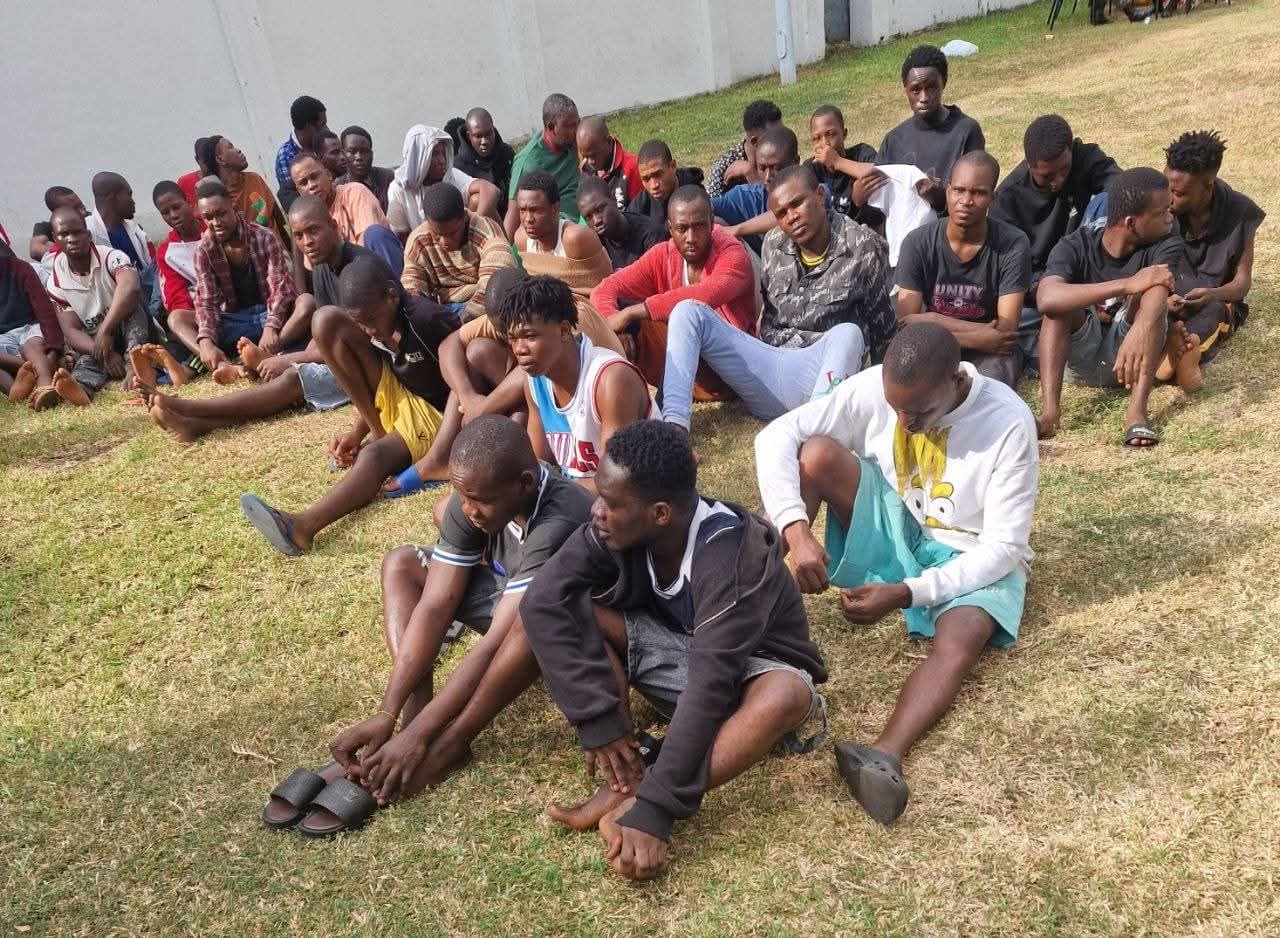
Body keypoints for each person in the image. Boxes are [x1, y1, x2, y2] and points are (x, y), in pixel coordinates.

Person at [754, 322, 1037, 825]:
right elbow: (776, 435)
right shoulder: (877, 390)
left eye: (919, 411)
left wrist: (909, 592)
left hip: (969, 551)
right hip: (898, 523)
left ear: (956, 380)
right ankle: (754, 626)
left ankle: (883, 757)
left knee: (961, 637)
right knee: (816, 453)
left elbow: (1004, 548)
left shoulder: (1008, 422)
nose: (904, 422)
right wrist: (796, 532)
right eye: (895, 408)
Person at [521, 421, 828, 880]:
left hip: (752, 676)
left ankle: (646, 780)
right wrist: (598, 720)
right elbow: (543, 600)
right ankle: (636, 762)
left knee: (786, 694)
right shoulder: (616, 528)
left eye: (610, 502)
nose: (597, 511)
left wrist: (655, 808)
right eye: (599, 496)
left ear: (660, 513)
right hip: (689, 662)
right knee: (574, 604)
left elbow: (709, 686)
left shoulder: (727, 555)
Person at [272, 417, 594, 837]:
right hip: (513, 598)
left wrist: (423, 738)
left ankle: (448, 745)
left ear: (524, 484)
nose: (468, 509)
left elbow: (496, 641)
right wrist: (387, 714)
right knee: (403, 564)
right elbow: (434, 606)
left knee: (528, 621)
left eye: (479, 500)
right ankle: (411, 718)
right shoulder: (472, 499)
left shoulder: (561, 518)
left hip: (575, 635)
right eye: (463, 495)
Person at [238, 255, 457, 556]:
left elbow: (464, 382)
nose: (367, 330)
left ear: (392, 296)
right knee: (325, 320)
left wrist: (443, 450)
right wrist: (358, 431)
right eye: (360, 323)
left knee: (373, 456)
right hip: (402, 394)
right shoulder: (379, 322)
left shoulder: (427, 322)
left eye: (370, 320)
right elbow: (391, 376)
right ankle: (379, 432)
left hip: (436, 415)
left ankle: (302, 527)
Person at [661, 164, 894, 430]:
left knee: (849, 334)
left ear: (819, 196)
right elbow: (768, 316)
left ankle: (815, 430)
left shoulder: (862, 246)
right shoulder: (774, 243)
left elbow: (883, 331)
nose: (791, 217)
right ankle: (674, 429)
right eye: (781, 213)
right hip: (771, 366)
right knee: (687, 311)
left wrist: (885, 404)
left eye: (797, 204)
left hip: (826, 371)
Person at [146, 197, 370, 441]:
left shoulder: (359, 270)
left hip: (368, 370)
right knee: (291, 379)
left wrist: (287, 359)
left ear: (334, 226)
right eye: (298, 235)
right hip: (333, 356)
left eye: (313, 231)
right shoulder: (323, 266)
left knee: (294, 377)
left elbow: (360, 344)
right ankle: (194, 424)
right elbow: (324, 338)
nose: (307, 242)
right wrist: (207, 341)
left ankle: (189, 409)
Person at [1035, 167, 1180, 445]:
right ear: (1131, 222)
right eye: (1162, 212)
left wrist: (1140, 330)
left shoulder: (1168, 239)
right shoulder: (1076, 244)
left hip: (1131, 358)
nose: (1170, 217)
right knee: (1058, 308)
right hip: (1080, 359)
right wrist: (1126, 284)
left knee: (1153, 293)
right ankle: (1050, 415)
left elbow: (1160, 287)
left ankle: (1137, 413)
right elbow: (1046, 298)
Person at [592, 185, 755, 399]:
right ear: (670, 228)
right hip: (689, 373)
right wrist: (616, 328)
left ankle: (667, 403)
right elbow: (604, 289)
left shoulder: (732, 254)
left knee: (677, 316)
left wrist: (632, 313)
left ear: (711, 221)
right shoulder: (663, 255)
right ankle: (625, 402)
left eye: (698, 226)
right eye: (682, 229)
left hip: (733, 372)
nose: (691, 237)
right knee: (612, 317)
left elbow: (704, 296)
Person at [498, 275, 654, 491]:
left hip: (633, 499)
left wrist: (553, 493)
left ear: (564, 330)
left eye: (530, 336)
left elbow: (615, 483)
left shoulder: (611, 378)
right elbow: (538, 466)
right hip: (578, 494)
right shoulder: (534, 382)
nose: (519, 349)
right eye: (513, 339)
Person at [896, 151, 1032, 388]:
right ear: (948, 191)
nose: (966, 201)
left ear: (993, 198)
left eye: (978, 193)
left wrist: (930, 321)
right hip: (945, 341)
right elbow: (908, 326)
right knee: (905, 370)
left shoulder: (1013, 244)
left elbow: (1005, 333)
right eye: (959, 190)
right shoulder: (917, 242)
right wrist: (973, 335)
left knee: (990, 385)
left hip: (989, 352)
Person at [991, 115, 1120, 364]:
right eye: (1047, 176)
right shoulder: (1007, 200)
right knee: (1011, 318)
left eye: (1064, 170)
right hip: (1046, 282)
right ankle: (1084, 311)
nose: (1058, 181)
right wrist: (1056, 292)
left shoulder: (1086, 157)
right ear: (1029, 166)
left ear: (1071, 151)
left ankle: (1103, 303)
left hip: (1087, 262)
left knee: (1111, 199)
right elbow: (1013, 273)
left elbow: (1123, 189)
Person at [1159, 129, 1264, 391]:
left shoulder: (1241, 212)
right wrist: (1163, 297)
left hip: (1214, 300)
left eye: (1179, 193)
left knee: (1216, 311)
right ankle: (1169, 355)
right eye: (1167, 187)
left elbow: (1241, 283)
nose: (1169, 199)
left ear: (1208, 186)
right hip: (1169, 297)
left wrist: (1212, 294)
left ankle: (1185, 352)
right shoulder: (1161, 207)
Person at [185, 179, 302, 375]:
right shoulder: (203, 249)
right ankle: (229, 363)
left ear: (232, 205)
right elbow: (206, 301)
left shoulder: (264, 237)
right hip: (235, 323)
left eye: (221, 213)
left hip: (269, 317)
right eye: (208, 217)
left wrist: (271, 327)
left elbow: (280, 288)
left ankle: (262, 354)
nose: (216, 222)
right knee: (182, 321)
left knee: (305, 304)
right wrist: (205, 341)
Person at [859, 45, 986, 215]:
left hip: (948, 228)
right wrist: (859, 198)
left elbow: (975, 198)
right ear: (906, 88)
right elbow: (880, 208)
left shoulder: (966, 131)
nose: (924, 98)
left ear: (944, 82)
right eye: (916, 90)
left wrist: (939, 199)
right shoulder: (894, 140)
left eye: (931, 87)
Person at [43, 207, 150, 405]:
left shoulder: (111, 257)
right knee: (86, 361)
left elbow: (131, 288)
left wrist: (106, 329)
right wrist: (104, 353)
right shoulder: (55, 281)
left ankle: (135, 367)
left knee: (133, 308)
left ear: (88, 234)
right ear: (55, 239)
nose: (71, 239)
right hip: (96, 342)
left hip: (127, 328)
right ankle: (80, 388)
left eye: (77, 232)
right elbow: (71, 331)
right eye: (64, 234)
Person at [401, 182, 515, 322]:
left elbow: (495, 287)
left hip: (481, 308)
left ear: (464, 217)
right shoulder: (418, 241)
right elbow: (411, 287)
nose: (444, 241)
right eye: (437, 234)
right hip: (441, 309)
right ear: (428, 222)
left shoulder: (488, 233)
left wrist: (462, 322)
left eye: (452, 233)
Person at [288, 151, 402, 276]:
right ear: (299, 191)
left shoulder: (355, 193)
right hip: (344, 279)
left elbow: (368, 250)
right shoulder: (308, 219)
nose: (311, 186)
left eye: (314, 177)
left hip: (378, 270)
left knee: (375, 234)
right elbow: (316, 267)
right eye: (303, 183)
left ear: (328, 175)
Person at [711, 125, 819, 254]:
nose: (768, 177)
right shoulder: (747, 197)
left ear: (795, 162)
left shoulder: (814, 192)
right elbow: (702, 207)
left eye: (776, 168)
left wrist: (737, 230)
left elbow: (781, 215)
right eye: (762, 168)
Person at [512, 170, 612, 307]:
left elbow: (606, 288)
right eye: (522, 210)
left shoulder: (575, 238)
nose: (528, 219)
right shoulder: (522, 239)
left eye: (535, 210)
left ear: (555, 208)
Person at [387, 124, 502, 240]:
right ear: (418, 157)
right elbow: (400, 235)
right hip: (425, 246)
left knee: (477, 200)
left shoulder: (451, 175)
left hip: (461, 240)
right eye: (435, 154)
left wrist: (473, 228)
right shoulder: (399, 189)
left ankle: (501, 246)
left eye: (443, 153)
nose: (442, 160)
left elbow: (491, 190)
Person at [142, 180, 205, 382]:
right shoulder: (167, 252)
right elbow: (175, 297)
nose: (173, 215)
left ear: (188, 201)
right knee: (175, 340)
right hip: (195, 316)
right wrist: (196, 315)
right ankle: (164, 372)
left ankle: (192, 367)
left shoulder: (212, 227)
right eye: (165, 212)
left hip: (228, 306)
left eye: (176, 207)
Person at [504, 94, 581, 238]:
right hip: (554, 231)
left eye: (578, 123)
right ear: (551, 127)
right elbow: (514, 212)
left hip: (584, 214)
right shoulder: (527, 162)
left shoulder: (573, 143)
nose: (577, 130)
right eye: (570, 126)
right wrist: (503, 247)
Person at [198, 135, 292, 248]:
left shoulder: (254, 178)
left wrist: (290, 250)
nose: (238, 150)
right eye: (230, 147)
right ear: (220, 159)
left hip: (280, 252)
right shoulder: (219, 200)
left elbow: (278, 218)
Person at [0, 239, 62, 406]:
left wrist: (53, 351)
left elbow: (46, 313)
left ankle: (45, 385)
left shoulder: (21, 269)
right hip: (3, 341)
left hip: (29, 327)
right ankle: (16, 390)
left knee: (31, 346)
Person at [805, 104, 879, 220]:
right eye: (817, 138)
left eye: (830, 134)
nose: (825, 143)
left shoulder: (861, 153)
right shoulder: (811, 169)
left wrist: (837, 162)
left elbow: (882, 171)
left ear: (844, 134)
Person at [577, 176, 664, 271]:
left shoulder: (651, 235)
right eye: (588, 217)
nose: (596, 221)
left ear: (613, 198)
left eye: (599, 209)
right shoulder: (594, 244)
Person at [707, 99, 783, 198]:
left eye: (782, 132)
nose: (781, 139)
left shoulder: (783, 154)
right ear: (754, 141)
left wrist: (751, 174)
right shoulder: (722, 169)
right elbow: (711, 206)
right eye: (774, 137)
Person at [451, 108, 516, 216]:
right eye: (478, 136)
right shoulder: (458, 167)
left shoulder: (506, 153)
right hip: (479, 221)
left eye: (488, 134)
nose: (484, 141)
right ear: (468, 136)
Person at [626, 140, 706, 228]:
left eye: (658, 175)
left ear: (673, 166)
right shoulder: (640, 204)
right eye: (646, 179)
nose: (653, 185)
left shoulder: (695, 196)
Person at [86, 172, 155, 271]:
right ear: (112, 197)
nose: (133, 202)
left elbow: (156, 270)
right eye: (129, 195)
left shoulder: (137, 232)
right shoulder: (86, 233)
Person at [275, 94, 328, 211]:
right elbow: (295, 202)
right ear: (308, 126)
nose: (327, 129)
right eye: (323, 125)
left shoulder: (324, 143)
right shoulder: (286, 156)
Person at [577, 115, 641, 209]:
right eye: (585, 156)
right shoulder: (585, 169)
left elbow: (641, 211)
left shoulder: (632, 168)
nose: (590, 162)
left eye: (594, 155)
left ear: (609, 142)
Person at [337, 125, 396, 212]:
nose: (359, 157)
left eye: (364, 151)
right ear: (343, 154)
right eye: (352, 151)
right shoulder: (337, 189)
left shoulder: (388, 178)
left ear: (371, 154)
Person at [177, 136, 213, 206]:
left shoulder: (225, 180)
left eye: (213, 160)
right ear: (197, 160)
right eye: (206, 161)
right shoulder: (184, 182)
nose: (211, 165)